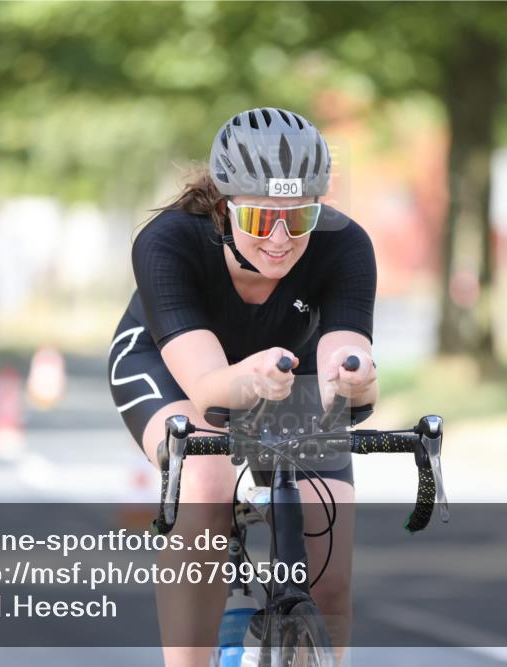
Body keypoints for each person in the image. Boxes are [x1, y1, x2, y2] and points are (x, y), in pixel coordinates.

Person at [107, 107, 378, 667]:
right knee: (206, 482)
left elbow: (344, 353)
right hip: (174, 367)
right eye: (259, 220)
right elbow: (208, 388)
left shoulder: (346, 244)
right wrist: (248, 381)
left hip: (283, 372)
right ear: (224, 206)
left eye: (299, 219)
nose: (279, 240)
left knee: (328, 575)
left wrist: (353, 378)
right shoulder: (168, 241)